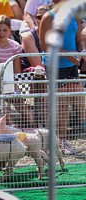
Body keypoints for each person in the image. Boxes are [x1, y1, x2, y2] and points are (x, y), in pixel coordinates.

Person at [39, 0, 86, 155]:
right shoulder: (48, 17)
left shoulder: (75, 16)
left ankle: (61, 139)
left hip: (72, 65)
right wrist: (67, 54)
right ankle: (58, 140)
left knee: (77, 100)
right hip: (55, 66)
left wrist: (81, 53)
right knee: (62, 104)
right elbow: (45, 47)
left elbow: (79, 41)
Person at [0, 14, 34, 127]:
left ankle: (33, 125)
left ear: (10, 30)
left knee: (21, 104)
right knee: (2, 106)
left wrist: (15, 86)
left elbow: (17, 68)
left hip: (10, 81)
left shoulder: (15, 46)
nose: (1, 33)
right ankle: (9, 126)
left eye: (5, 30)